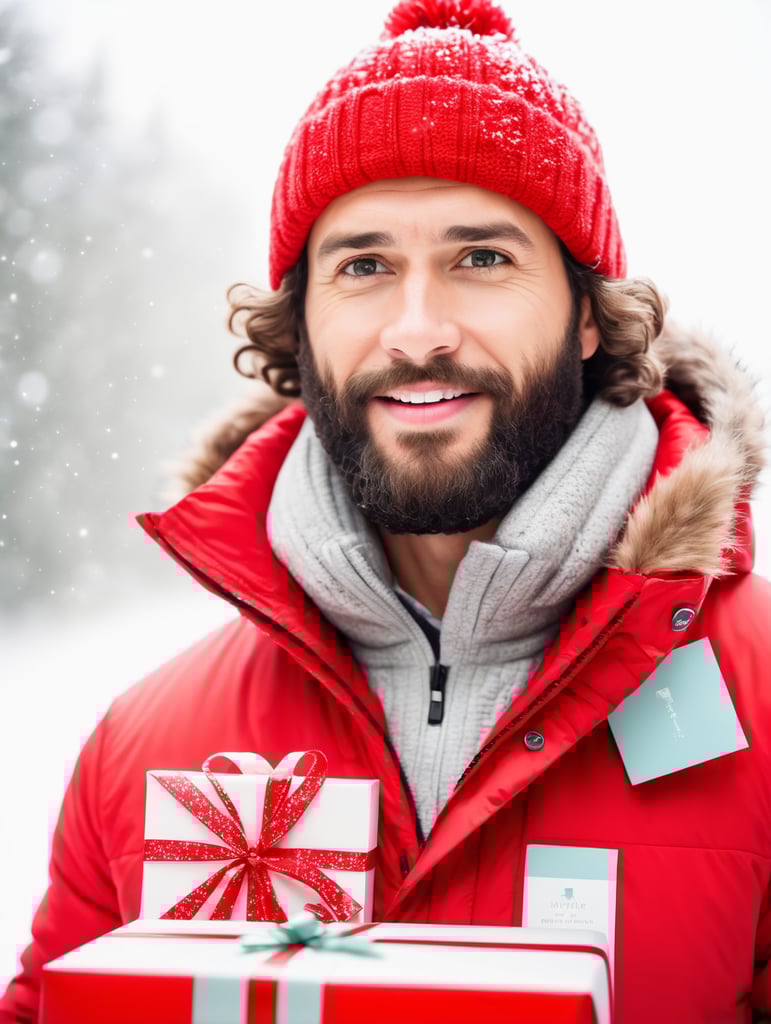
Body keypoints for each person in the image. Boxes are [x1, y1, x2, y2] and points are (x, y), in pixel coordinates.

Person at [3, 1, 770, 1021]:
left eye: (481, 258)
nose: (418, 331)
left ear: (590, 314)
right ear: (301, 324)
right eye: (364, 265)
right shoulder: (142, 743)